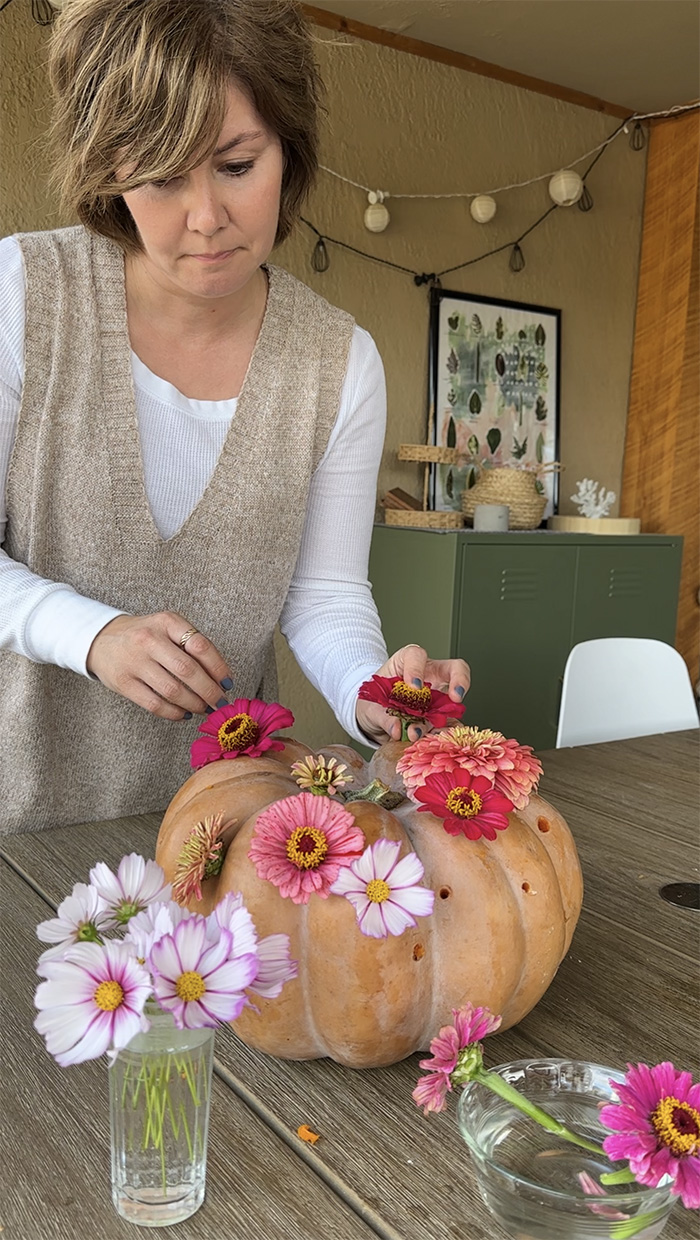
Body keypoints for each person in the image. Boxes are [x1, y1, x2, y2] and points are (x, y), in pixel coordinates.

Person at [0, 0, 469, 835]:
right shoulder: (21, 297)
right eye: (161, 175)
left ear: (288, 150)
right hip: (24, 812)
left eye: (236, 165)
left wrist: (377, 697)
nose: (206, 218)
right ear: (109, 169)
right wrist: (93, 635)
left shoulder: (339, 361)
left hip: (235, 829)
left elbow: (324, 594)